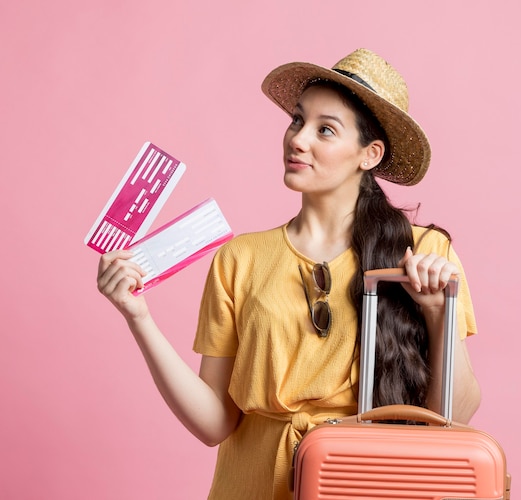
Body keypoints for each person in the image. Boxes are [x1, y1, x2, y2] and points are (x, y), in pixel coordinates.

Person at [97, 48, 481, 499]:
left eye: (325, 130)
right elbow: (213, 422)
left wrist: (437, 315)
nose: (298, 140)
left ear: (369, 154)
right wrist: (138, 317)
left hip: (360, 486)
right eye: (297, 121)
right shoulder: (239, 259)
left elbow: (454, 413)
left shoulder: (423, 253)